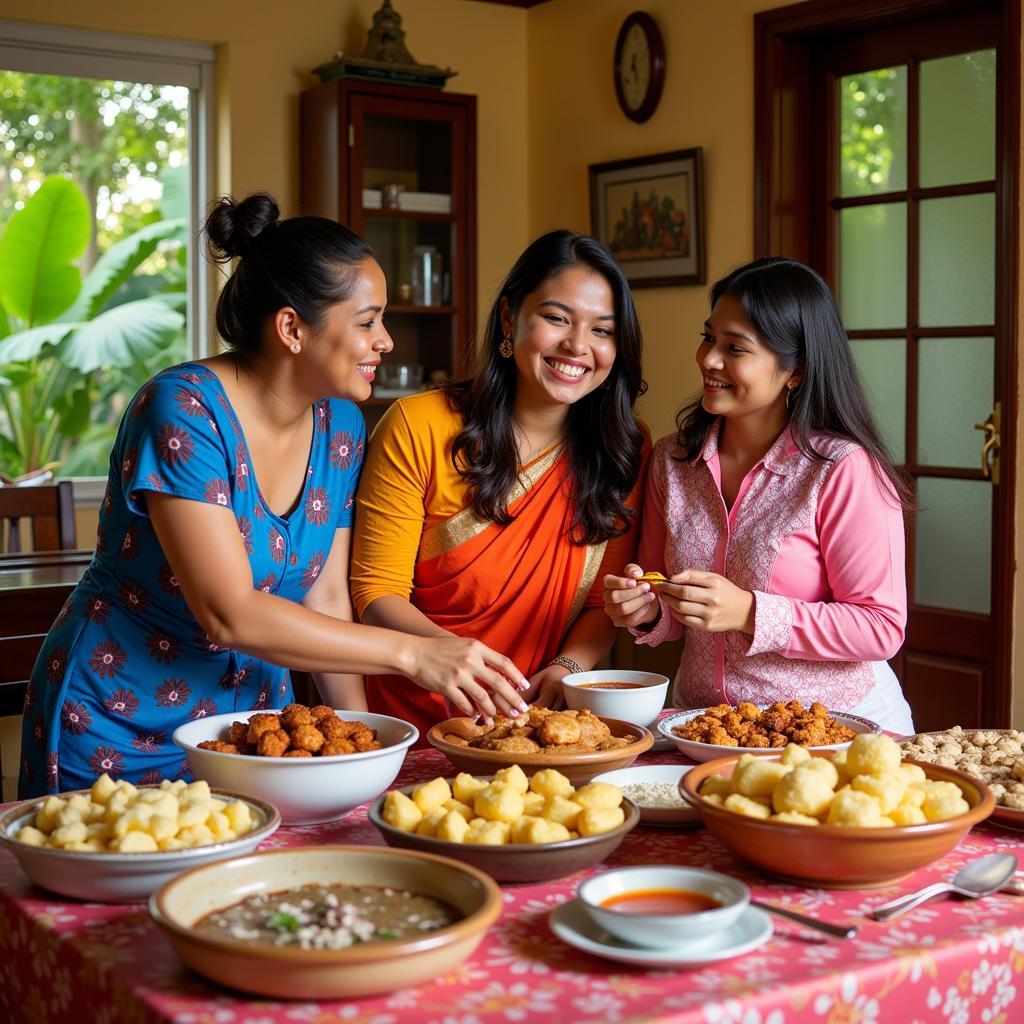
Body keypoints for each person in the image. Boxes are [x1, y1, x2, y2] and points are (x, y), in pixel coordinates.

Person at [19, 193, 528, 798]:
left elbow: (329, 599)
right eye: (366, 322)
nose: (386, 340)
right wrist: (415, 654)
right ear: (291, 328)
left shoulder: (340, 427)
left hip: (251, 732)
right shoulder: (183, 410)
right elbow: (229, 610)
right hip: (120, 723)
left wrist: (355, 744)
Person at [350, 230, 650, 739]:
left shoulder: (623, 447)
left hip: (537, 723)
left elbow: (603, 603)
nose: (578, 346)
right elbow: (375, 592)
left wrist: (568, 667)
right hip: (408, 724)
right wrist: (448, 655)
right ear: (510, 318)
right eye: (556, 319)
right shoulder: (418, 424)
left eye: (603, 330)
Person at [603, 256, 915, 733]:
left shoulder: (843, 469)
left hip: (835, 730)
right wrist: (645, 611)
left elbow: (881, 626)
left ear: (796, 370)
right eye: (708, 337)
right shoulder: (672, 461)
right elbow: (664, 597)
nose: (708, 358)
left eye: (736, 347)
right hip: (708, 727)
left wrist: (750, 612)